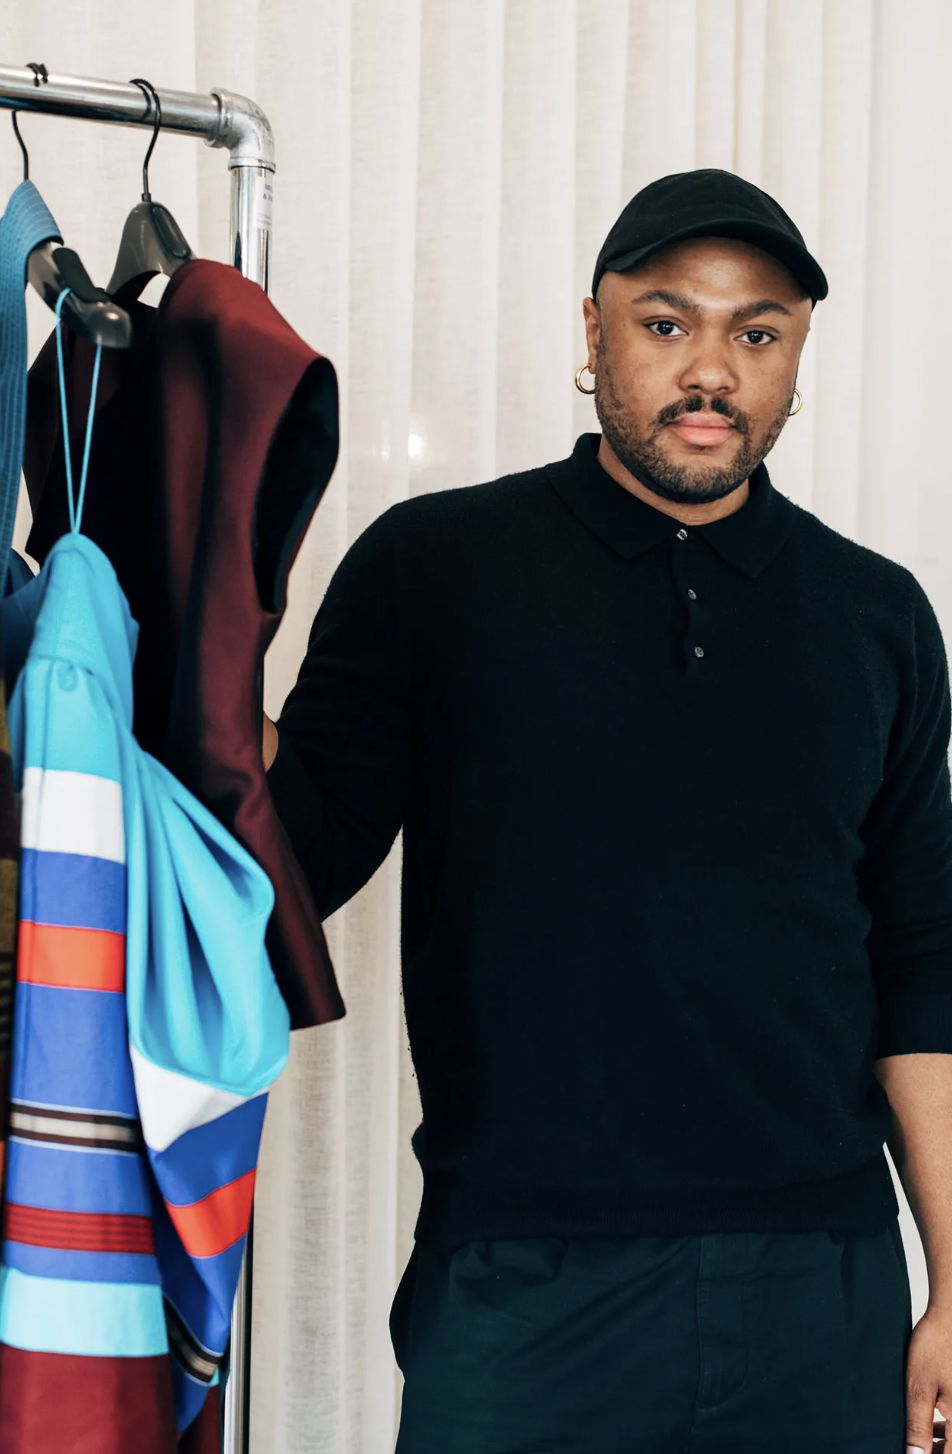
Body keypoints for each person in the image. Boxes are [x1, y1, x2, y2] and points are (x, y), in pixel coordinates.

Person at [262, 170, 952, 1453]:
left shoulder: (878, 616)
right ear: (593, 333)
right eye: (665, 322)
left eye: (757, 333)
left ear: (798, 356)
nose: (711, 371)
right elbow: (289, 859)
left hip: (822, 1281)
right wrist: (185, 631)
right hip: (523, 1282)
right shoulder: (434, 567)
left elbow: (921, 962)